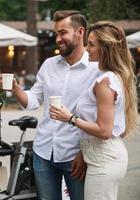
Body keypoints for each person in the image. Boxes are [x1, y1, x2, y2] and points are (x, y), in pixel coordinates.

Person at [8, 10, 99, 200]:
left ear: (80, 32)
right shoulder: (49, 64)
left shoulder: (96, 69)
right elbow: (33, 100)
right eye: (56, 33)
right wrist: (16, 90)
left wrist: (84, 153)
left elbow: (100, 118)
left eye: (63, 32)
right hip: (43, 153)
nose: (58, 38)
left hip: (75, 156)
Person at [49, 21, 138, 200]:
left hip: (104, 161)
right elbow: (114, 130)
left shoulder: (105, 81)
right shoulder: (113, 76)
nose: (86, 48)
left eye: (91, 44)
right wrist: (84, 152)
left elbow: (105, 131)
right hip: (102, 157)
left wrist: (70, 118)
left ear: (105, 48)